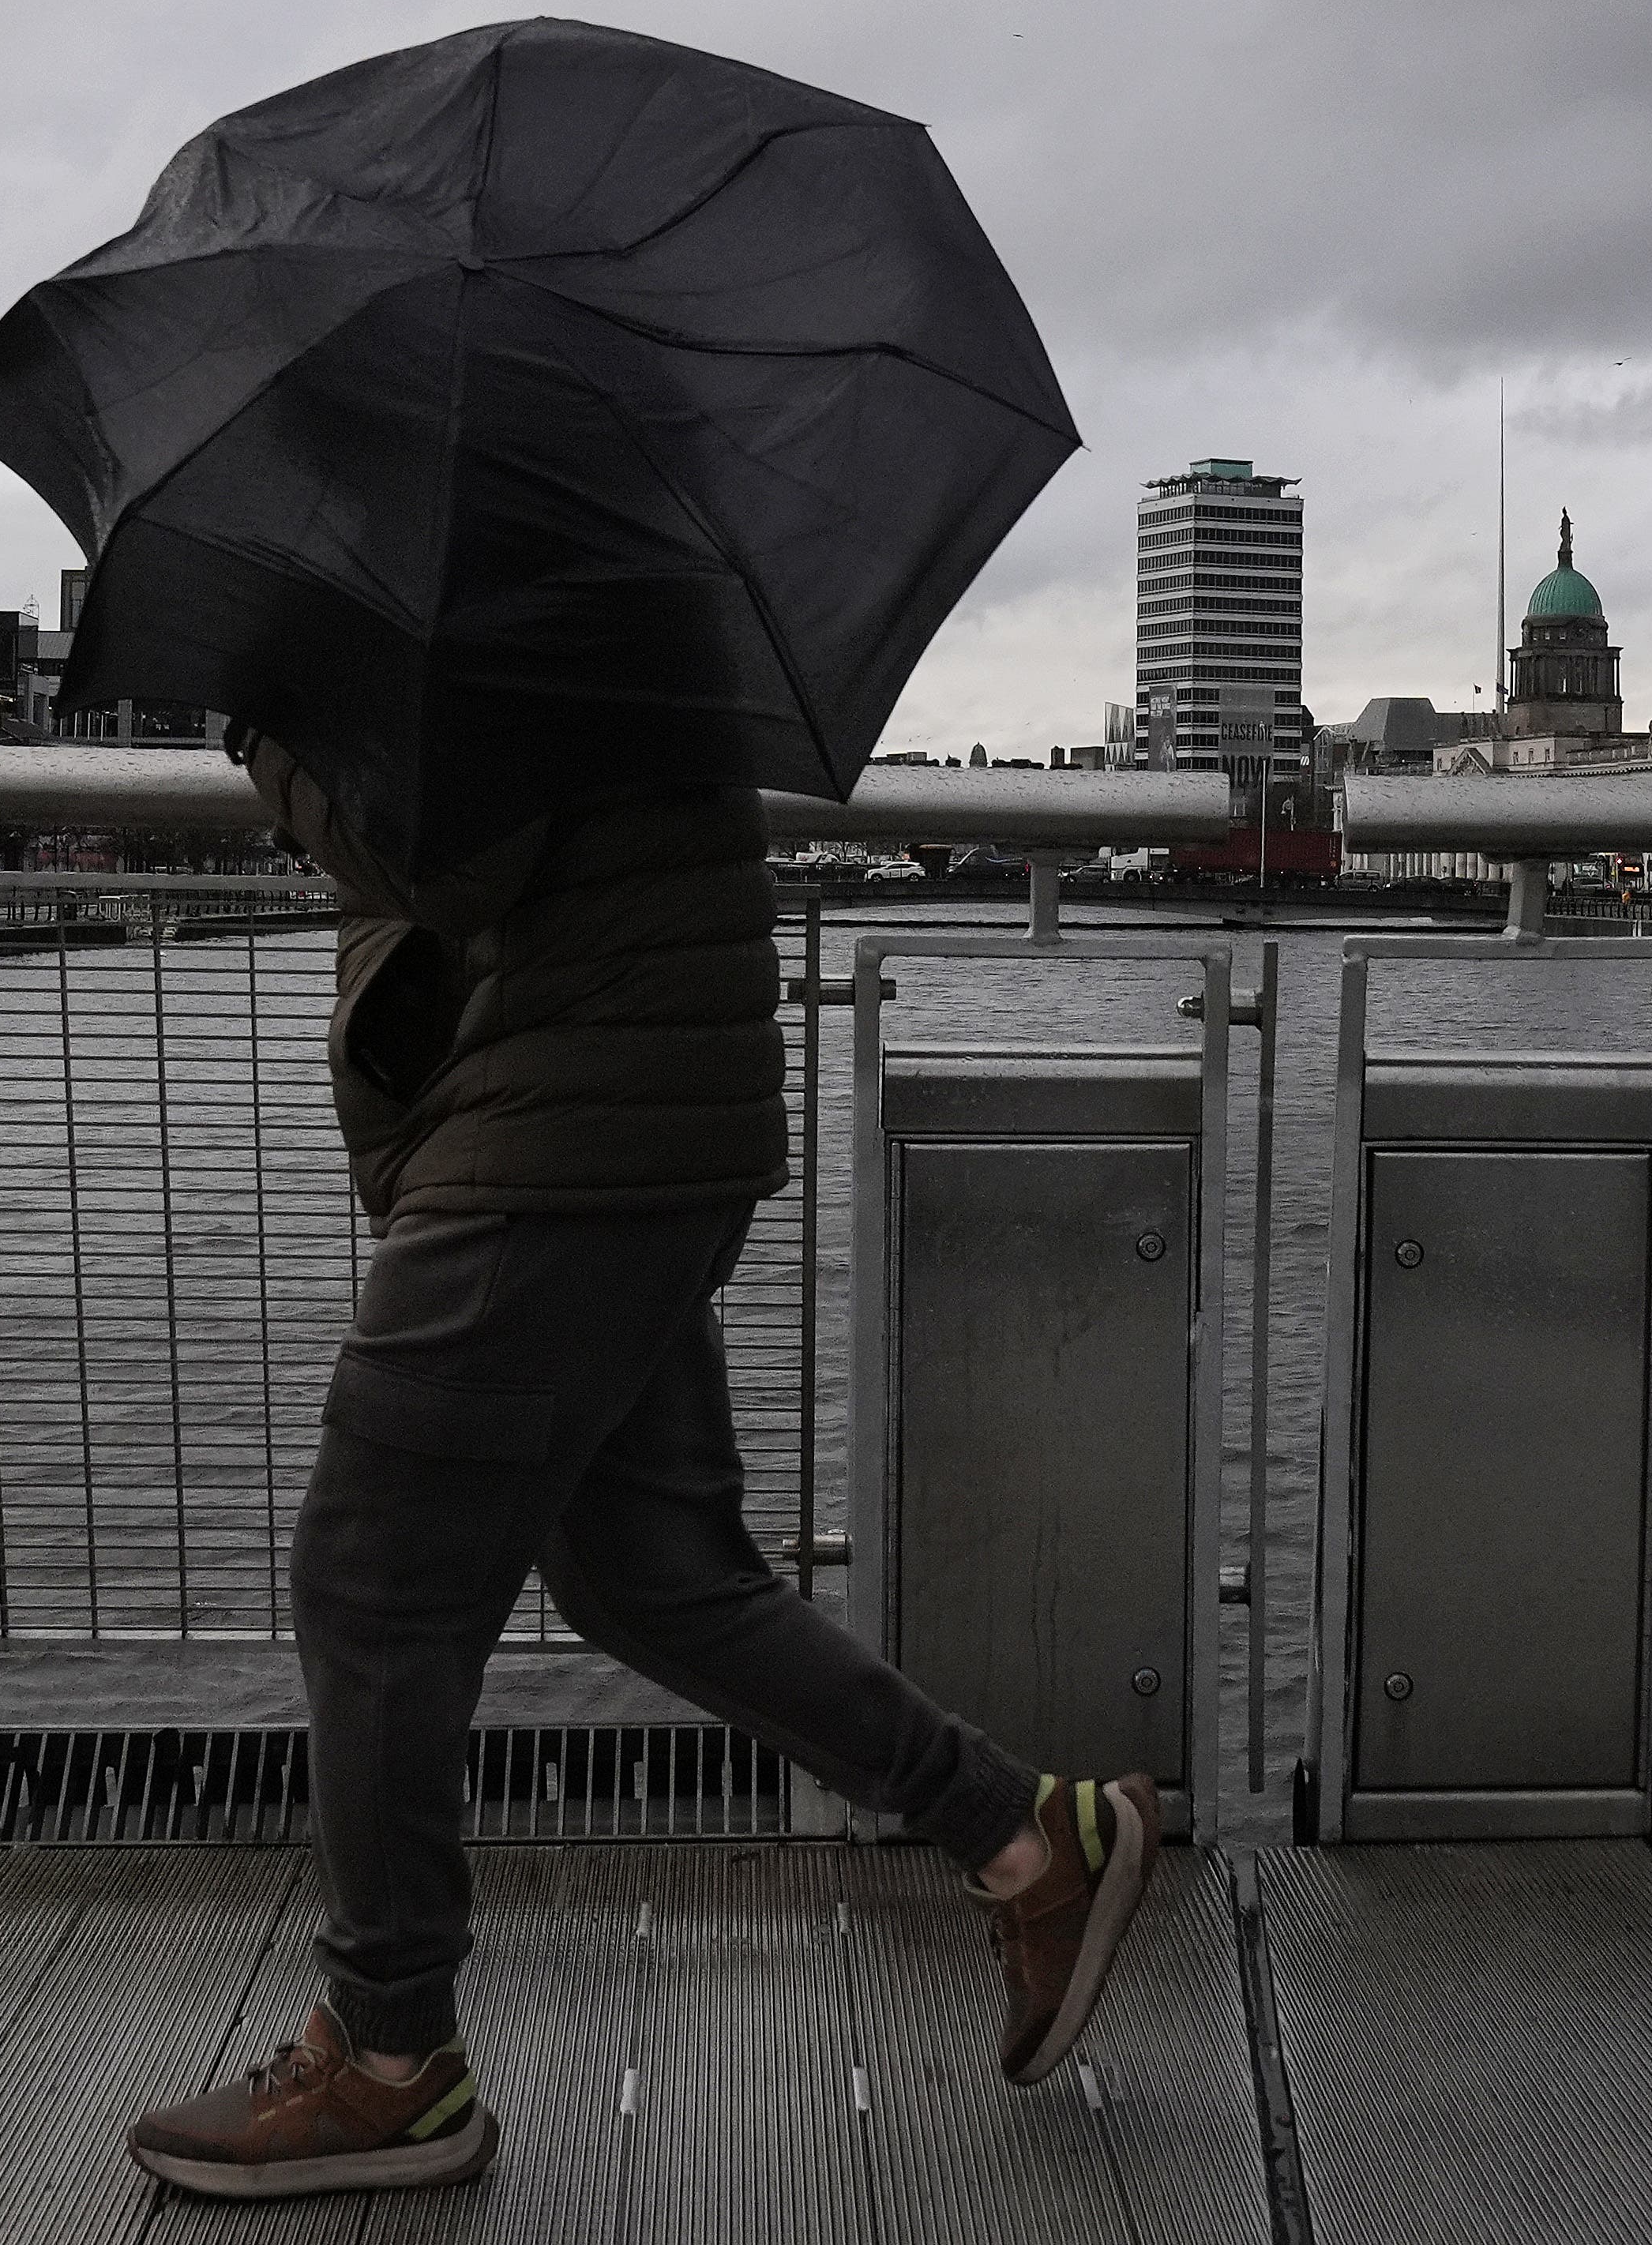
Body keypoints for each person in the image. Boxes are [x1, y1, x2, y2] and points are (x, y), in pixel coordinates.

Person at [124, 735, 1159, 2202]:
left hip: (549, 1146)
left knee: (371, 1593)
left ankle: (388, 2058)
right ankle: (1024, 1838)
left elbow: (450, 851)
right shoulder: (599, 534)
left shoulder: (481, 544)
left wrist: (272, 734)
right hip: (636, 1122)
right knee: (655, 1576)